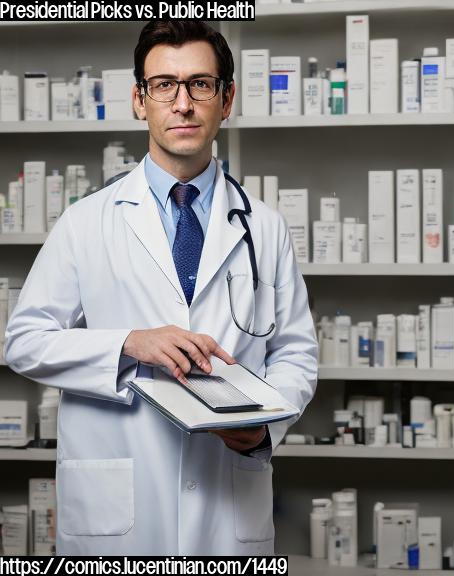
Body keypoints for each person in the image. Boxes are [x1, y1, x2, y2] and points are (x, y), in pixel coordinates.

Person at [3, 20, 317, 555]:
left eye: (200, 84)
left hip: (226, 508)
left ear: (227, 99)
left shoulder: (262, 226)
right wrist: (128, 342)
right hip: (119, 511)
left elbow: (295, 353)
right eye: (164, 85)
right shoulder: (86, 221)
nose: (183, 102)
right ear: (139, 99)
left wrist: (264, 431)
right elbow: (24, 341)